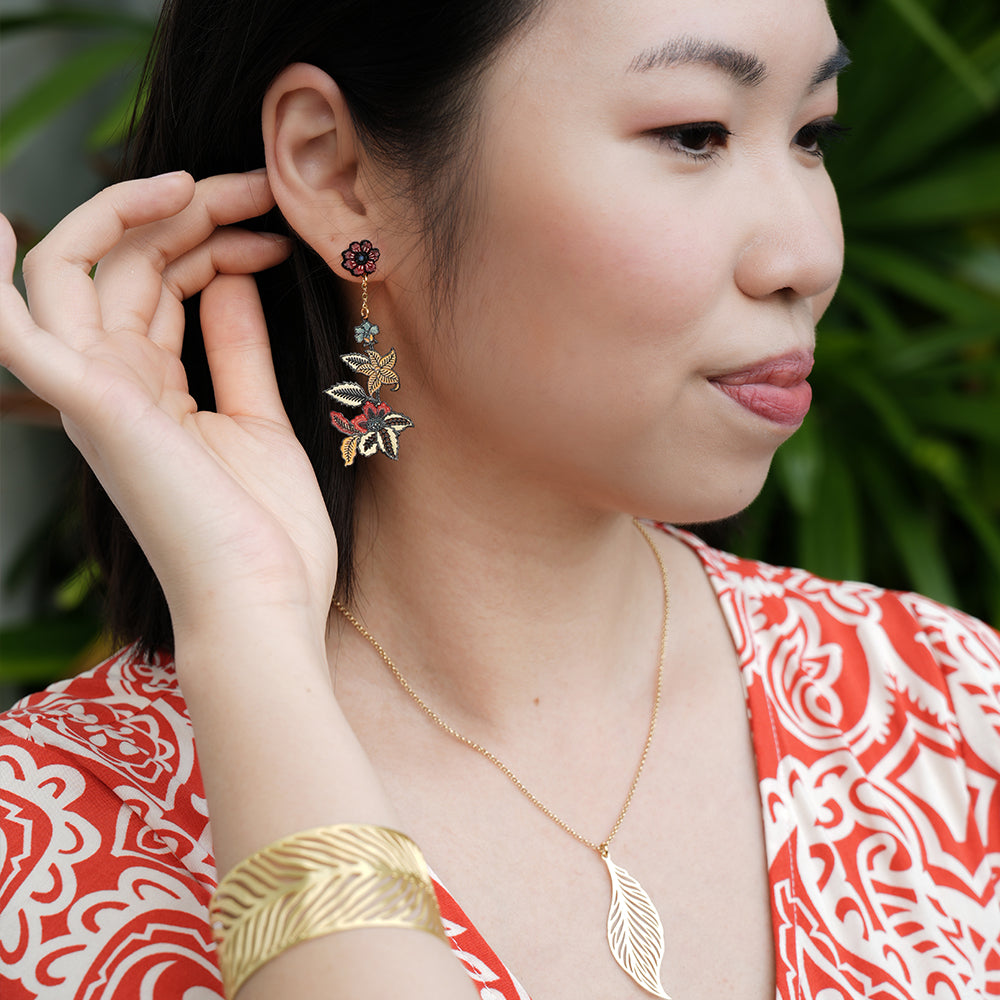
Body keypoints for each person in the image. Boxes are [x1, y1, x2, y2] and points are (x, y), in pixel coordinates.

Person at [0, 0, 997, 997]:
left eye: (811, 134)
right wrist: (250, 625)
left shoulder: (953, 713)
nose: (807, 257)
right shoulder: (39, 841)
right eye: (694, 135)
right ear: (339, 176)